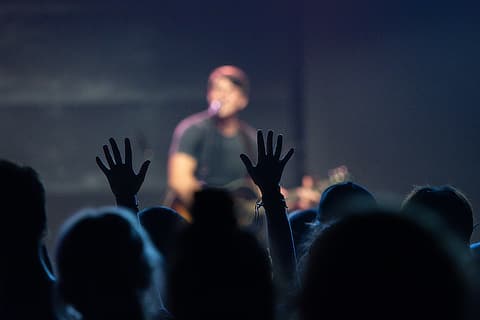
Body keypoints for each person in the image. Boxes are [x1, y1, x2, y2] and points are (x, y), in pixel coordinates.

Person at [166, 65, 257, 222]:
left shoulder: (250, 139)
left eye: (230, 91)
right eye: (217, 89)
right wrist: (211, 211)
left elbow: (258, 185)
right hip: (195, 219)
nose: (222, 96)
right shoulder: (193, 130)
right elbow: (179, 180)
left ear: (243, 100)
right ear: (209, 95)